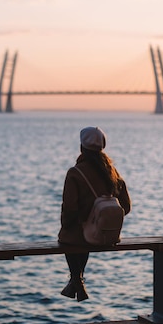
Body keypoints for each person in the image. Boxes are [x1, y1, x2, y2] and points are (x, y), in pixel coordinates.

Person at [58, 126, 131, 301]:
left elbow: (69, 210)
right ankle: (76, 281)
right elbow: (126, 207)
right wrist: (100, 219)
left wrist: (75, 223)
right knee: (87, 232)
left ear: (81, 147)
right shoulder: (113, 172)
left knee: (69, 235)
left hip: (82, 238)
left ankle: (77, 280)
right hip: (107, 236)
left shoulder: (75, 173)